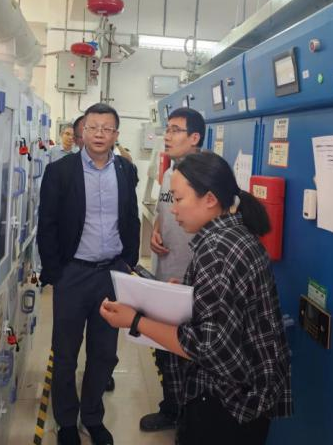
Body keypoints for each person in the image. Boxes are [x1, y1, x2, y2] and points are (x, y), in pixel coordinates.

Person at [100, 151, 293, 445]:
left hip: (228, 404)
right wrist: (190, 292)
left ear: (210, 199)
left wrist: (135, 320)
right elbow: (226, 306)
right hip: (249, 397)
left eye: (179, 199)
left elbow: (208, 347)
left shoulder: (216, 250)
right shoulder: (233, 234)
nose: (173, 209)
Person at [37, 103, 140, 445]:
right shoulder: (61, 171)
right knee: (65, 352)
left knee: (104, 352)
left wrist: (127, 263)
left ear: (116, 135)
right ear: (82, 131)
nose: (99, 134)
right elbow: (47, 224)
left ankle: (92, 417)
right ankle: (67, 421)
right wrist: (56, 273)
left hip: (110, 273)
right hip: (73, 273)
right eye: (93, 127)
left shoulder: (125, 170)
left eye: (106, 129)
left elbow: (131, 217)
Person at [139, 107, 205, 433]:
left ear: (195, 137)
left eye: (175, 130)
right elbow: (165, 211)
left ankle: (190, 418)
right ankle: (171, 408)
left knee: (189, 353)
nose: (167, 136)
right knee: (164, 350)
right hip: (165, 273)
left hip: (191, 280)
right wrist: (156, 230)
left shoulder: (206, 177)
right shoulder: (169, 173)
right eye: (167, 129)